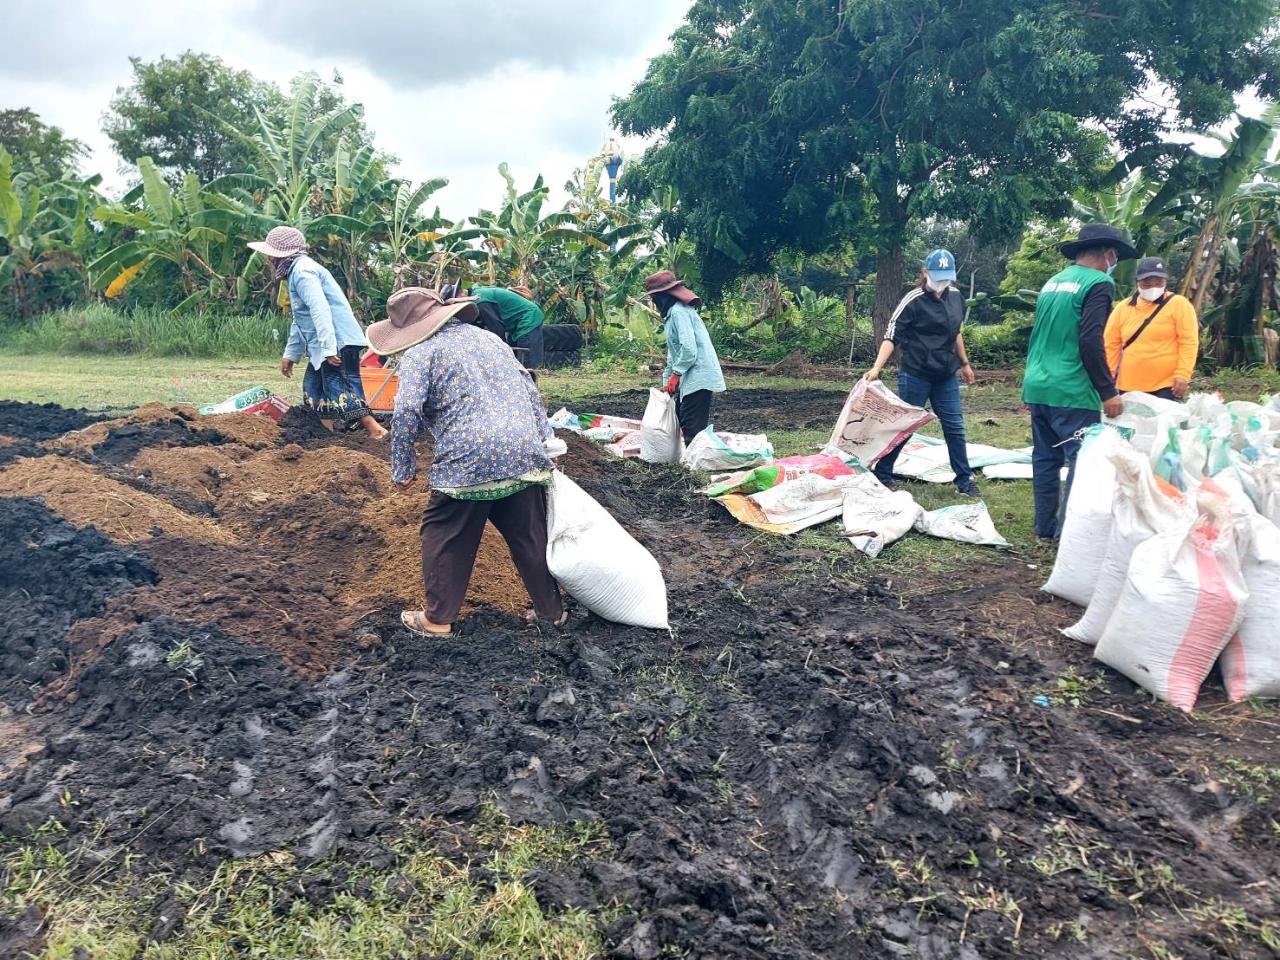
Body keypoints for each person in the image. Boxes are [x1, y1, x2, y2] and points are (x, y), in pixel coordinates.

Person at [367, 287, 564, 637]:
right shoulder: (491, 341)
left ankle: (437, 620)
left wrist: (403, 467)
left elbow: (408, 409)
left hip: (469, 458)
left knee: (443, 532)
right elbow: (530, 390)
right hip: (522, 450)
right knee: (529, 534)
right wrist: (543, 441)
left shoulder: (421, 353)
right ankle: (551, 613)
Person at [1023, 223, 1136, 538]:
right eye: (1115, 256)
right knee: (1081, 459)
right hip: (1071, 389)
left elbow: (1040, 335)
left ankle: (1044, 527)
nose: (1114, 262)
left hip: (1038, 383)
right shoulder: (1099, 283)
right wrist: (1107, 391)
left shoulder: (1053, 282)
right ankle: (1069, 533)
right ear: (1107, 253)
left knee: (1045, 457)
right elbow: (1090, 341)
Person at [248, 225, 386, 439]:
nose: (267, 258)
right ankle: (326, 435)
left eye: (270, 254)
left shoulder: (303, 272)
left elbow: (319, 309)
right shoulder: (296, 272)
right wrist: (290, 354)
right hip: (327, 344)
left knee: (337, 388)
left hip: (337, 342)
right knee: (313, 388)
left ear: (279, 255)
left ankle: (375, 430)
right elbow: (301, 319)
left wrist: (329, 349)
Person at [864, 249, 980, 496]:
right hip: (916, 373)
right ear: (925, 272)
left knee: (955, 427)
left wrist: (965, 363)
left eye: (946, 276)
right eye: (937, 276)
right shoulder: (913, 299)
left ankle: (964, 480)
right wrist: (877, 368)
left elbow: (956, 332)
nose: (941, 282)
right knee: (906, 425)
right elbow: (891, 336)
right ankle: (882, 473)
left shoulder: (956, 297)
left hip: (946, 374)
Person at [643, 270, 726, 440]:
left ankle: (696, 464)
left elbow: (689, 350)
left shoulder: (679, 312)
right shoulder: (672, 316)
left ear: (663, 296)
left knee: (691, 425)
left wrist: (676, 374)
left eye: (654, 297)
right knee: (681, 416)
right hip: (690, 375)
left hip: (699, 374)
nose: (654, 301)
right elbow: (673, 354)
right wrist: (667, 382)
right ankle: (690, 460)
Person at [1104, 257, 1199, 401]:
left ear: (1165, 282)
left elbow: (1189, 342)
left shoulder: (1179, 305)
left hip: (1166, 385)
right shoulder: (1123, 308)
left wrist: (1183, 374)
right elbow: (1110, 344)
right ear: (1137, 282)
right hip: (1128, 385)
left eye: (1158, 282)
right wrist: (1108, 378)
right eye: (1147, 283)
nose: (1153, 287)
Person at [468, 284, 547, 368]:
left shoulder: (480, 300)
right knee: (514, 357)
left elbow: (497, 329)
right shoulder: (477, 293)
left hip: (529, 317)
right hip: (515, 323)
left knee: (526, 360)